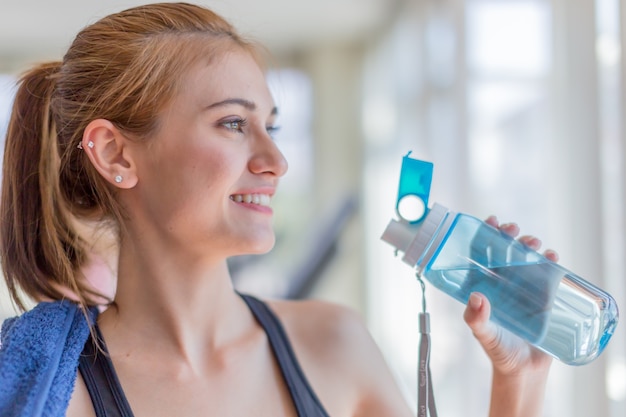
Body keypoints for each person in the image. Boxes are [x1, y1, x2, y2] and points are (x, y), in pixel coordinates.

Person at [0, 3, 557, 416]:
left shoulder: (334, 346)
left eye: (273, 126)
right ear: (116, 153)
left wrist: (517, 382)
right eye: (234, 124)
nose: (277, 160)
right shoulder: (57, 390)